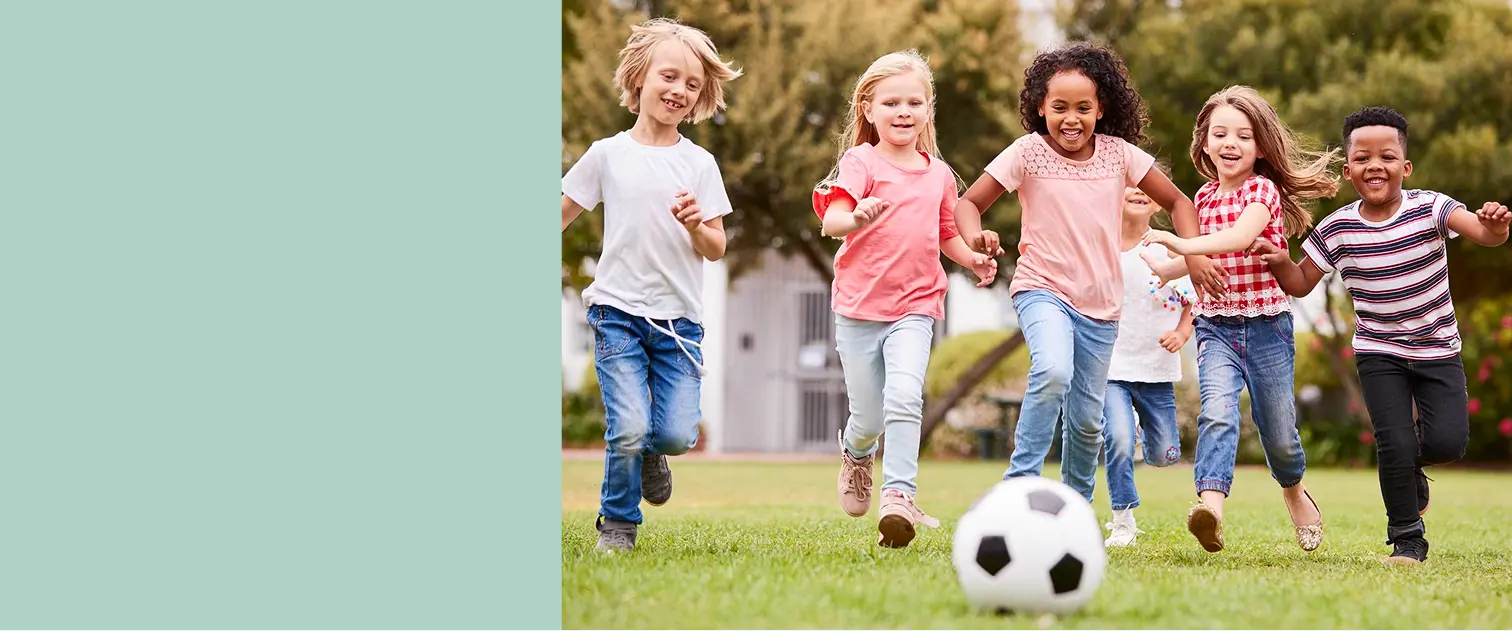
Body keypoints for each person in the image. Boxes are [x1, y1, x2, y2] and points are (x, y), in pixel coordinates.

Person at [1252, 106, 1510, 564]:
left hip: (1437, 348)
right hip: (1378, 352)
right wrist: (1278, 260)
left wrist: (1493, 228)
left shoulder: (1431, 208)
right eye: (1364, 158)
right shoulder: (1337, 228)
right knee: (1393, 442)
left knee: (1450, 443)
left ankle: (1412, 470)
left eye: (1388, 156)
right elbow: (1299, 283)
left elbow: (1482, 234)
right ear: (1349, 170)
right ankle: (1407, 539)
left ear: (1405, 167)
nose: (1376, 165)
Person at [951, 42, 1198, 505]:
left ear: (1100, 108)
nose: (1071, 118)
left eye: (1083, 108)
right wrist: (974, 238)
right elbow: (968, 203)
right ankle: (1018, 486)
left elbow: (1180, 202)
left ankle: (1075, 507)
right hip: (1041, 288)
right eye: (1059, 107)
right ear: (1040, 107)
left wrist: (1194, 255)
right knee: (1051, 368)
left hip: (1102, 306)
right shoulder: (1027, 152)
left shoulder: (1119, 155)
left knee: (1086, 421)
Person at [560, 18, 742, 553]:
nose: (679, 91)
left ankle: (652, 454)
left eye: (692, 84)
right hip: (616, 311)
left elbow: (716, 247)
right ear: (638, 78)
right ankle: (617, 522)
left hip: (679, 322)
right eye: (670, 76)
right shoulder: (607, 154)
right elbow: (563, 211)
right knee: (628, 426)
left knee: (675, 435)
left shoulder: (700, 164)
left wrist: (695, 224)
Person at [1140, 85, 1337, 552]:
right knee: (1217, 413)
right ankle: (1211, 507)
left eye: (1244, 136)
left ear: (1261, 146)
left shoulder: (1262, 191)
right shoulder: (1202, 198)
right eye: (1220, 133)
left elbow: (1237, 237)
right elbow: (1202, 261)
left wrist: (1181, 247)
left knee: (1279, 432)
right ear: (1204, 143)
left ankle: (1293, 492)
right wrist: (1166, 266)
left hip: (1267, 326)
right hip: (1216, 326)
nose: (1230, 143)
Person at [815, 50, 999, 548]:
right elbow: (832, 221)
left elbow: (946, 235)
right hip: (857, 308)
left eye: (913, 102)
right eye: (890, 102)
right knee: (870, 416)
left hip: (916, 305)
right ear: (868, 110)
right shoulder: (860, 161)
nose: (902, 111)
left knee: (903, 396)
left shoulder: (939, 174)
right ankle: (856, 454)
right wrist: (857, 218)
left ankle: (898, 497)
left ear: (928, 111)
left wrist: (973, 259)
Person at [1100, 164, 1196, 547]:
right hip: (1111, 367)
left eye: (1146, 188)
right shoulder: (1100, 246)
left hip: (1156, 371)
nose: (1138, 192)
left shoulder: (1167, 248)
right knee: (1119, 440)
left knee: (1165, 455)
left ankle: (1141, 433)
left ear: (1158, 200)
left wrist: (1180, 332)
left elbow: (1192, 301)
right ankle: (1123, 519)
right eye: (1129, 187)